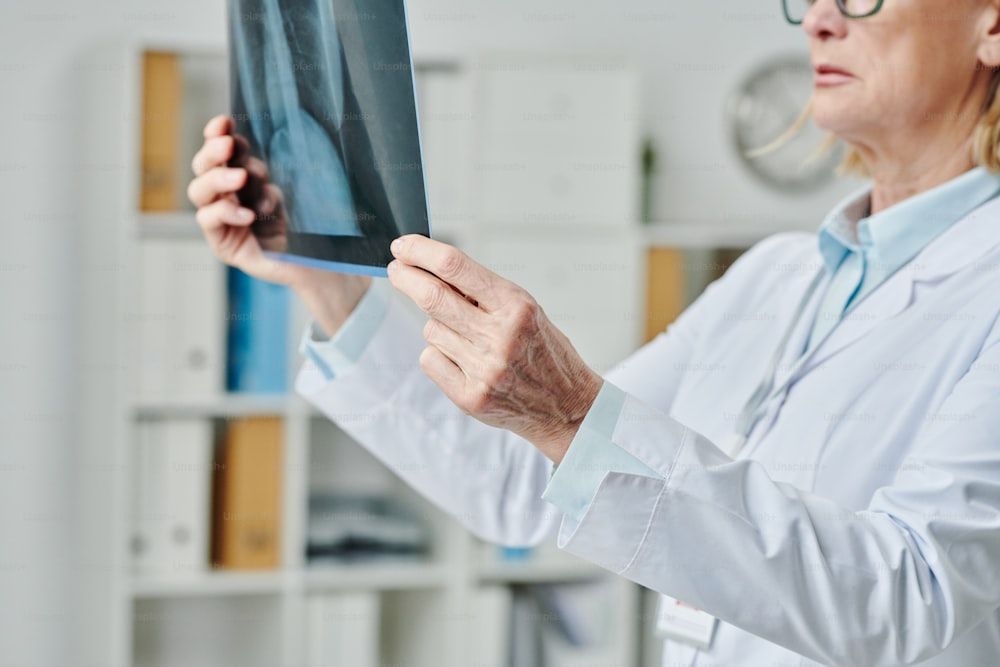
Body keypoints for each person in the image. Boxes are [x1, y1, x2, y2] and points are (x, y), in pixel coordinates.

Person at [188, 0, 1000, 663]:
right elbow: (520, 486)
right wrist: (325, 282)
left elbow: (914, 596)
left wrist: (574, 411)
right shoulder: (778, 275)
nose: (820, 18)